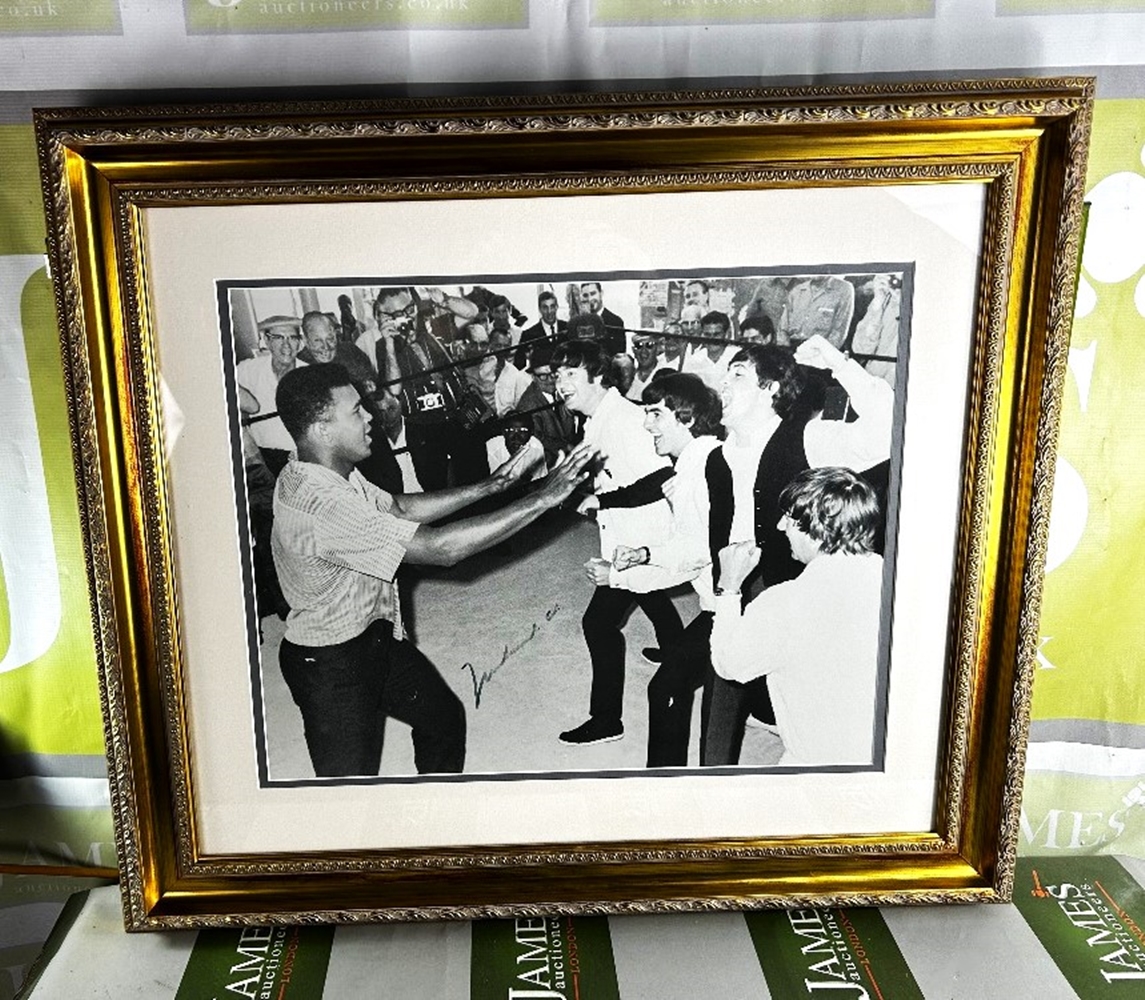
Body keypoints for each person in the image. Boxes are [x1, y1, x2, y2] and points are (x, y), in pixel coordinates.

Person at [270, 363, 592, 778]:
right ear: (323, 430)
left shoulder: (325, 471)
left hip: (375, 637)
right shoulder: (323, 505)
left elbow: (400, 507)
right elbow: (439, 549)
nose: (370, 415)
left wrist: (491, 486)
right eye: (356, 410)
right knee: (347, 796)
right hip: (331, 667)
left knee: (442, 719)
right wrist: (541, 500)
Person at [701, 335, 894, 765]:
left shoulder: (807, 438)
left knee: (820, 713)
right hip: (736, 583)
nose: (722, 384)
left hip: (798, 593)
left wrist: (838, 363)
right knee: (719, 688)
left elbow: (886, 430)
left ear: (770, 389)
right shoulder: (715, 457)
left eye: (737, 374)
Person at [553, 342, 687, 746]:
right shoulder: (596, 418)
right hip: (627, 534)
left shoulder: (626, 419)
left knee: (598, 622)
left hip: (646, 538)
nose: (560, 384)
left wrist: (603, 499)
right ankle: (679, 653)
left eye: (570, 374)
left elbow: (660, 477)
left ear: (598, 377)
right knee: (652, 598)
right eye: (558, 375)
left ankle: (607, 719)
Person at [710, 467, 884, 766]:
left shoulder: (783, 604)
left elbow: (729, 664)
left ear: (815, 527)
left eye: (788, 518)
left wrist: (728, 588)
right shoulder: (894, 577)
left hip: (817, 767)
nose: (780, 527)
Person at [611, 373, 723, 767]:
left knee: (668, 688)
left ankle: (663, 786)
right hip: (721, 601)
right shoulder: (697, 463)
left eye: (655, 414)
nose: (646, 425)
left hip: (732, 606)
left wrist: (638, 559)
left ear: (687, 418)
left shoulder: (703, 471)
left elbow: (696, 553)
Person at [372, 286, 487, 489]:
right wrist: (390, 346)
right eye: (397, 314)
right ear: (384, 317)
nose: (406, 318)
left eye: (409, 309)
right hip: (423, 429)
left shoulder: (437, 327)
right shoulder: (384, 348)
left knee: (478, 482)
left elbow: (472, 312)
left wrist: (445, 300)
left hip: (460, 418)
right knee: (437, 490)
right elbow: (395, 390)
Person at [236, 314, 308, 475]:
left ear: (300, 342)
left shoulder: (310, 374)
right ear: (267, 341)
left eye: (292, 338)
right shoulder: (248, 370)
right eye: (278, 338)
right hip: (264, 458)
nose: (286, 346)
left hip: (304, 457)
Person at [513, 346, 578, 470]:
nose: (550, 381)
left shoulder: (562, 389)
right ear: (533, 376)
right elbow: (538, 441)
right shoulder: (528, 405)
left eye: (553, 375)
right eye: (543, 376)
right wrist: (567, 447)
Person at [298, 311, 375, 393]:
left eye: (330, 339)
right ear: (306, 341)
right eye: (317, 341)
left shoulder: (350, 352)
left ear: (336, 334)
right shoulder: (300, 366)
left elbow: (371, 386)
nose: (326, 347)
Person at [777, 274, 856, 349]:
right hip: (792, 350)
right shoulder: (796, 291)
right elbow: (783, 329)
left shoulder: (844, 289)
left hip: (820, 353)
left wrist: (819, 355)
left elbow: (838, 335)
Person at [682, 310, 738, 390]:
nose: (711, 339)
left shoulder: (738, 357)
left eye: (716, 334)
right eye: (707, 335)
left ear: (726, 334)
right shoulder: (693, 361)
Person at [514, 290, 567, 369]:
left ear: (557, 307)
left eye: (552, 306)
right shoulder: (528, 334)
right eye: (545, 307)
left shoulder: (568, 328)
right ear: (540, 309)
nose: (549, 312)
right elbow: (519, 365)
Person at [578, 281, 627, 355]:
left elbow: (618, 355)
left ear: (601, 293)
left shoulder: (615, 322)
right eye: (585, 295)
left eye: (593, 293)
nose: (590, 299)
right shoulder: (577, 323)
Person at [626, 332, 667, 401]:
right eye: (639, 346)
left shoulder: (664, 376)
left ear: (657, 349)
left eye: (649, 345)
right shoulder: (628, 374)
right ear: (634, 350)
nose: (643, 351)